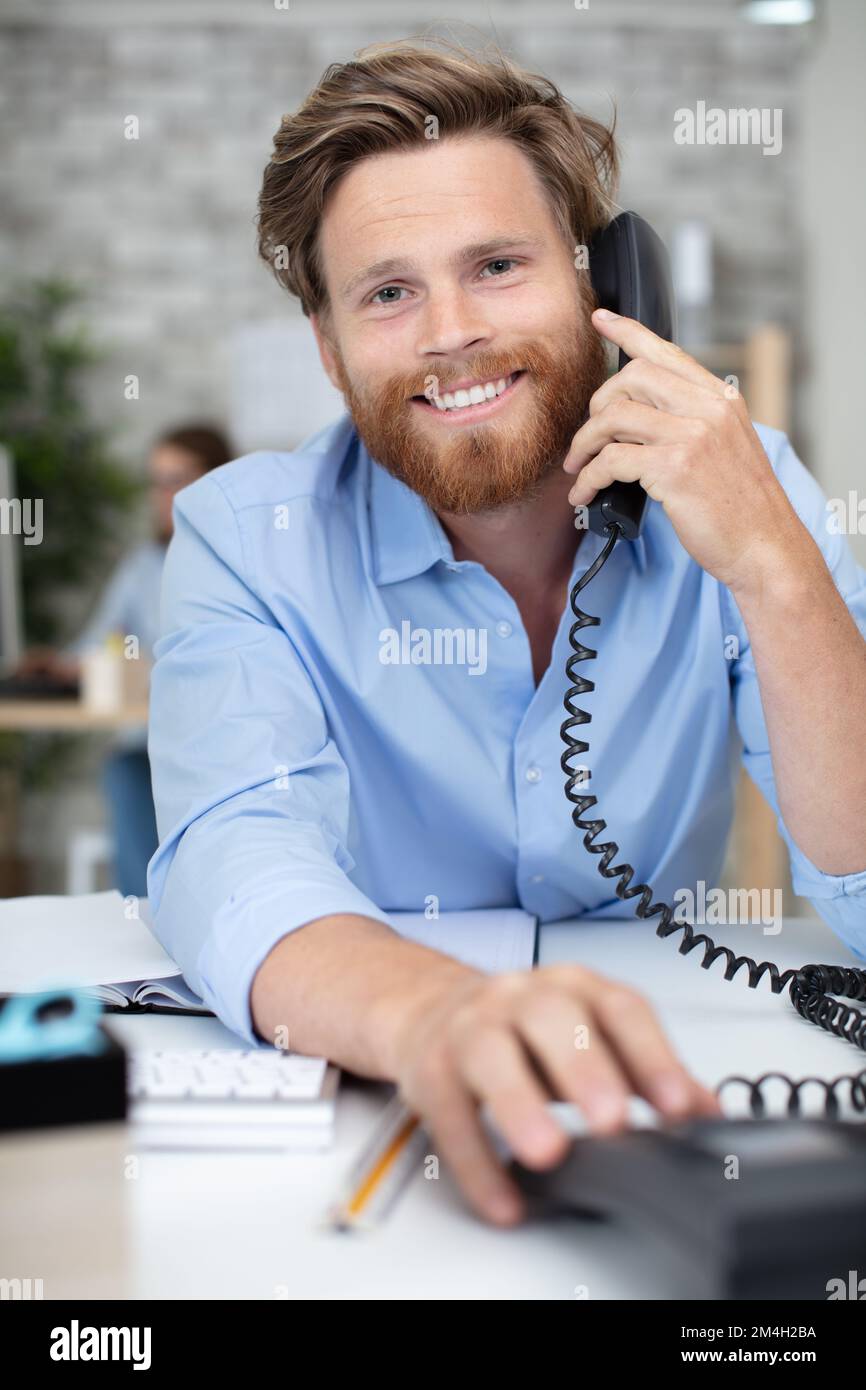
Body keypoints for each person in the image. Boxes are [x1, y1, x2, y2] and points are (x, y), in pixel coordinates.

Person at [146, 40, 866, 1226]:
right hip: (373, 1110)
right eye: (387, 292)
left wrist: (774, 568)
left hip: (681, 1100)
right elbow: (234, 852)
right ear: (328, 350)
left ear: (608, 290)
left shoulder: (746, 489)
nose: (449, 331)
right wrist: (434, 1014)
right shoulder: (244, 535)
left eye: (494, 264)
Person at [17, 424, 233, 896]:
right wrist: (59, 665)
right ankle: (148, 915)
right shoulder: (142, 567)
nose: (163, 495)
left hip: (225, 743)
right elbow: (99, 645)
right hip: (154, 743)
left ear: (215, 479)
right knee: (125, 770)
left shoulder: (241, 559)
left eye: (177, 479)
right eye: (157, 481)